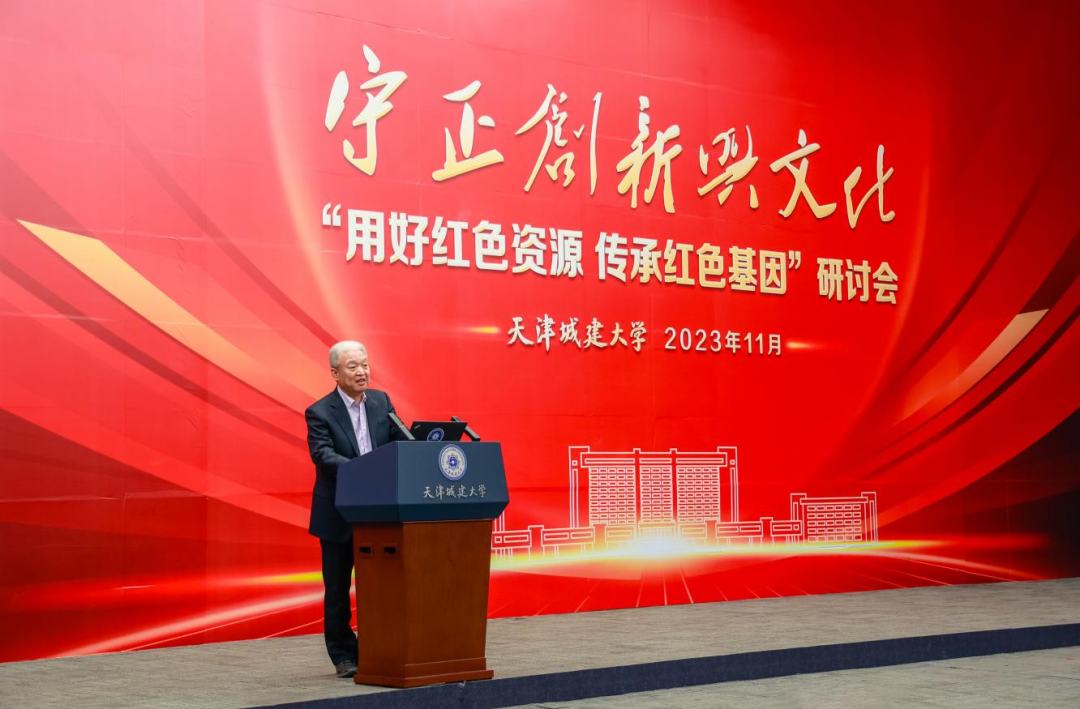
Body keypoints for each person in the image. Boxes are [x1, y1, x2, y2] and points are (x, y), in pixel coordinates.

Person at [305, 340, 404, 678]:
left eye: (365, 365)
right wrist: (363, 469)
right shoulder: (319, 412)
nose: (362, 372)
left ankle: (377, 646)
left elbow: (400, 439)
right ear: (335, 373)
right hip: (338, 513)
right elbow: (323, 455)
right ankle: (343, 655)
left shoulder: (381, 401)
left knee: (380, 585)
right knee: (337, 590)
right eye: (353, 366)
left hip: (380, 513)